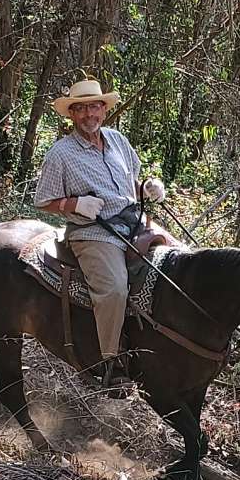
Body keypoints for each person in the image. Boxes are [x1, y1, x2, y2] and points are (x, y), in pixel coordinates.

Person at [34, 77, 165, 390]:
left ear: (104, 109)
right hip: (94, 230)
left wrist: (146, 187)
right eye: (80, 109)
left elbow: (132, 179)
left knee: (178, 257)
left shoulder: (117, 139)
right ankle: (111, 361)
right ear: (72, 115)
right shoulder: (61, 154)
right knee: (115, 289)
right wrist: (74, 203)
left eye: (94, 106)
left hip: (134, 221)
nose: (88, 114)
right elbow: (43, 201)